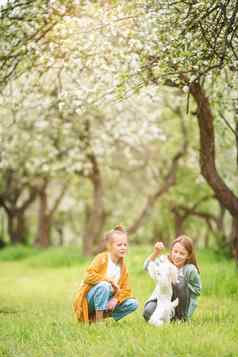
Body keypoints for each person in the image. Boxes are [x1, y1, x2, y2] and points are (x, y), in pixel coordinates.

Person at [73, 225, 138, 323]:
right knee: (104, 285)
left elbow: (126, 289)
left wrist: (116, 299)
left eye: (125, 245)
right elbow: (88, 276)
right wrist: (109, 280)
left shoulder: (123, 266)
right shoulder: (101, 258)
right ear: (110, 246)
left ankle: (96, 318)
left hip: (108, 299)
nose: (123, 248)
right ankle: (99, 322)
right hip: (91, 299)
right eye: (119, 245)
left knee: (133, 303)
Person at [143, 235, 201, 322]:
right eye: (175, 251)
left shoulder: (190, 270)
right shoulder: (165, 261)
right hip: (162, 300)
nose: (177, 256)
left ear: (188, 255)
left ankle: (180, 318)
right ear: (171, 251)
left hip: (180, 303)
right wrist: (156, 252)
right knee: (148, 312)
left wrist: (178, 286)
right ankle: (169, 316)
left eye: (182, 253)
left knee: (179, 281)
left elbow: (197, 291)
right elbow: (147, 267)